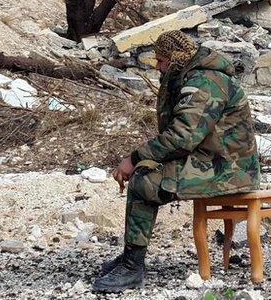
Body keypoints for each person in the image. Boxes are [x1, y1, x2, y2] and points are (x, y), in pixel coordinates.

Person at [92, 30, 260, 293]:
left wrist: (134, 158)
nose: (158, 67)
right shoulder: (191, 75)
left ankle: (132, 268)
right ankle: (130, 259)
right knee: (147, 172)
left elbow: (182, 137)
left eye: (161, 60)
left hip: (228, 170)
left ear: (175, 58)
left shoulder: (205, 82)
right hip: (212, 161)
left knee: (144, 181)